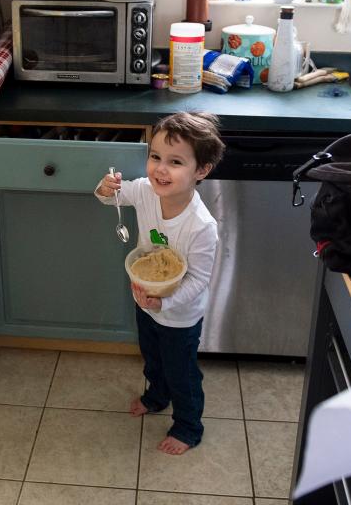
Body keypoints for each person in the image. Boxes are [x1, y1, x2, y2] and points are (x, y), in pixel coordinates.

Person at [94, 111, 225, 455]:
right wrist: (105, 188)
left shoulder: (201, 227)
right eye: (155, 157)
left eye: (175, 161)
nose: (160, 169)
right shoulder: (144, 192)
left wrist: (165, 303)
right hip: (145, 300)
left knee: (181, 372)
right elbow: (111, 198)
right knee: (152, 358)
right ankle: (156, 395)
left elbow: (198, 279)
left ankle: (188, 426)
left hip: (180, 316)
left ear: (201, 170)